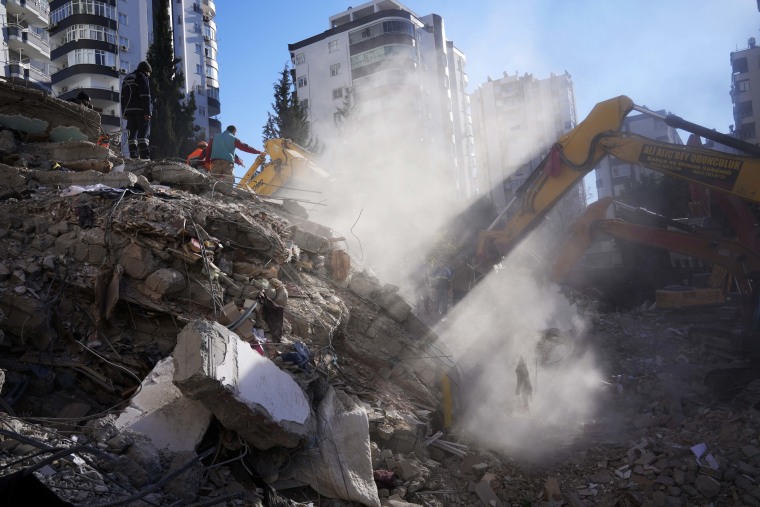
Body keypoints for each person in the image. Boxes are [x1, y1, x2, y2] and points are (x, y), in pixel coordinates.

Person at [120, 61, 152, 159]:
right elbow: (145, 95)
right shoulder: (142, 76)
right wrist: (147, 112)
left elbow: (122, 97)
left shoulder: (127, 77)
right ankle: (144, 156)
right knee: (143, 135)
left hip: (129, 112)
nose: (149, 76)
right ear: (146, 71)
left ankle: (133, 155)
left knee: (132, 135)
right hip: (141, 111)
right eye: (149, 73)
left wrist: (124, 113)